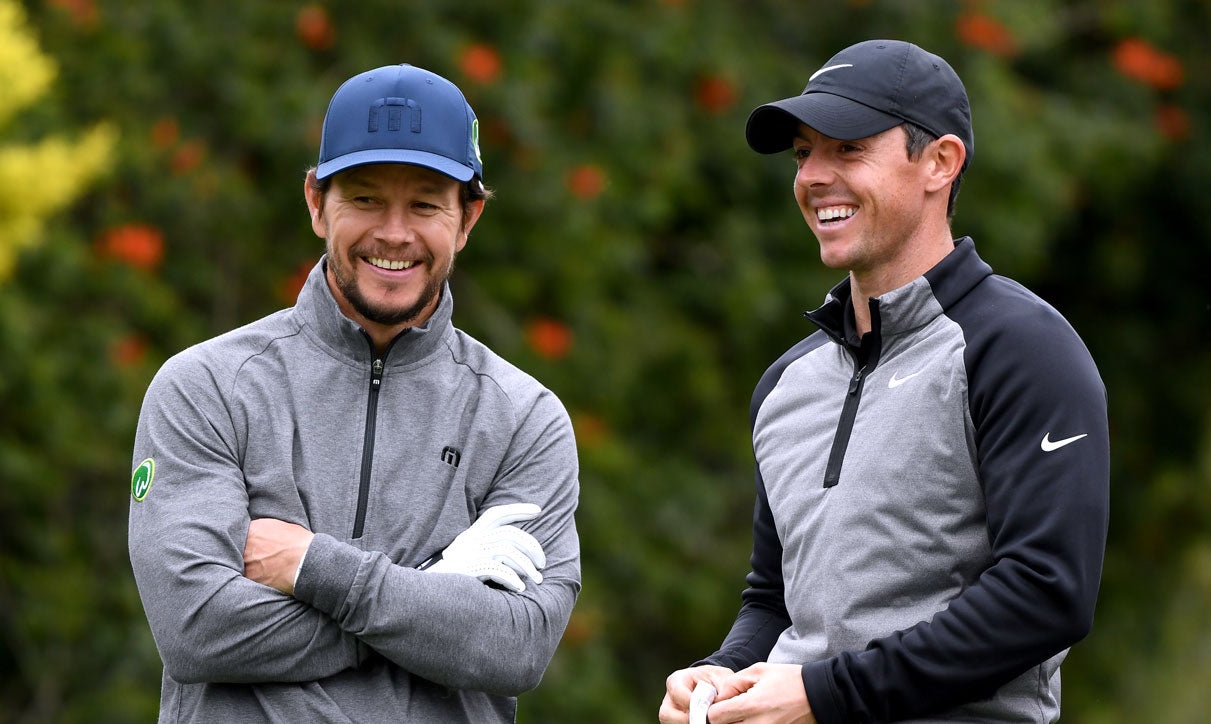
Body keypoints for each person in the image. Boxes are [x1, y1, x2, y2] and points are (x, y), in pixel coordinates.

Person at [659, 39, 1108, 723]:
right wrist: (721, 673)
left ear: (940, 162)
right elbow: (774, 600)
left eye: (848, 149)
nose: (813, 176)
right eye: (803, 153)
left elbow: (1045, 594)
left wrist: (823, 695)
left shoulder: (1023, 350)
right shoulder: (787, 384)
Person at [127, 63, 581, 723]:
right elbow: (196, 627)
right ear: (317, 203)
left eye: (424, 204)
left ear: (467, 218)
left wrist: (313, 568)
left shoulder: (523, 418)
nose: (393, 233)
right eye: (365, 199)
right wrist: (433, 593)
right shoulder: (206, 387)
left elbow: (516, 646)